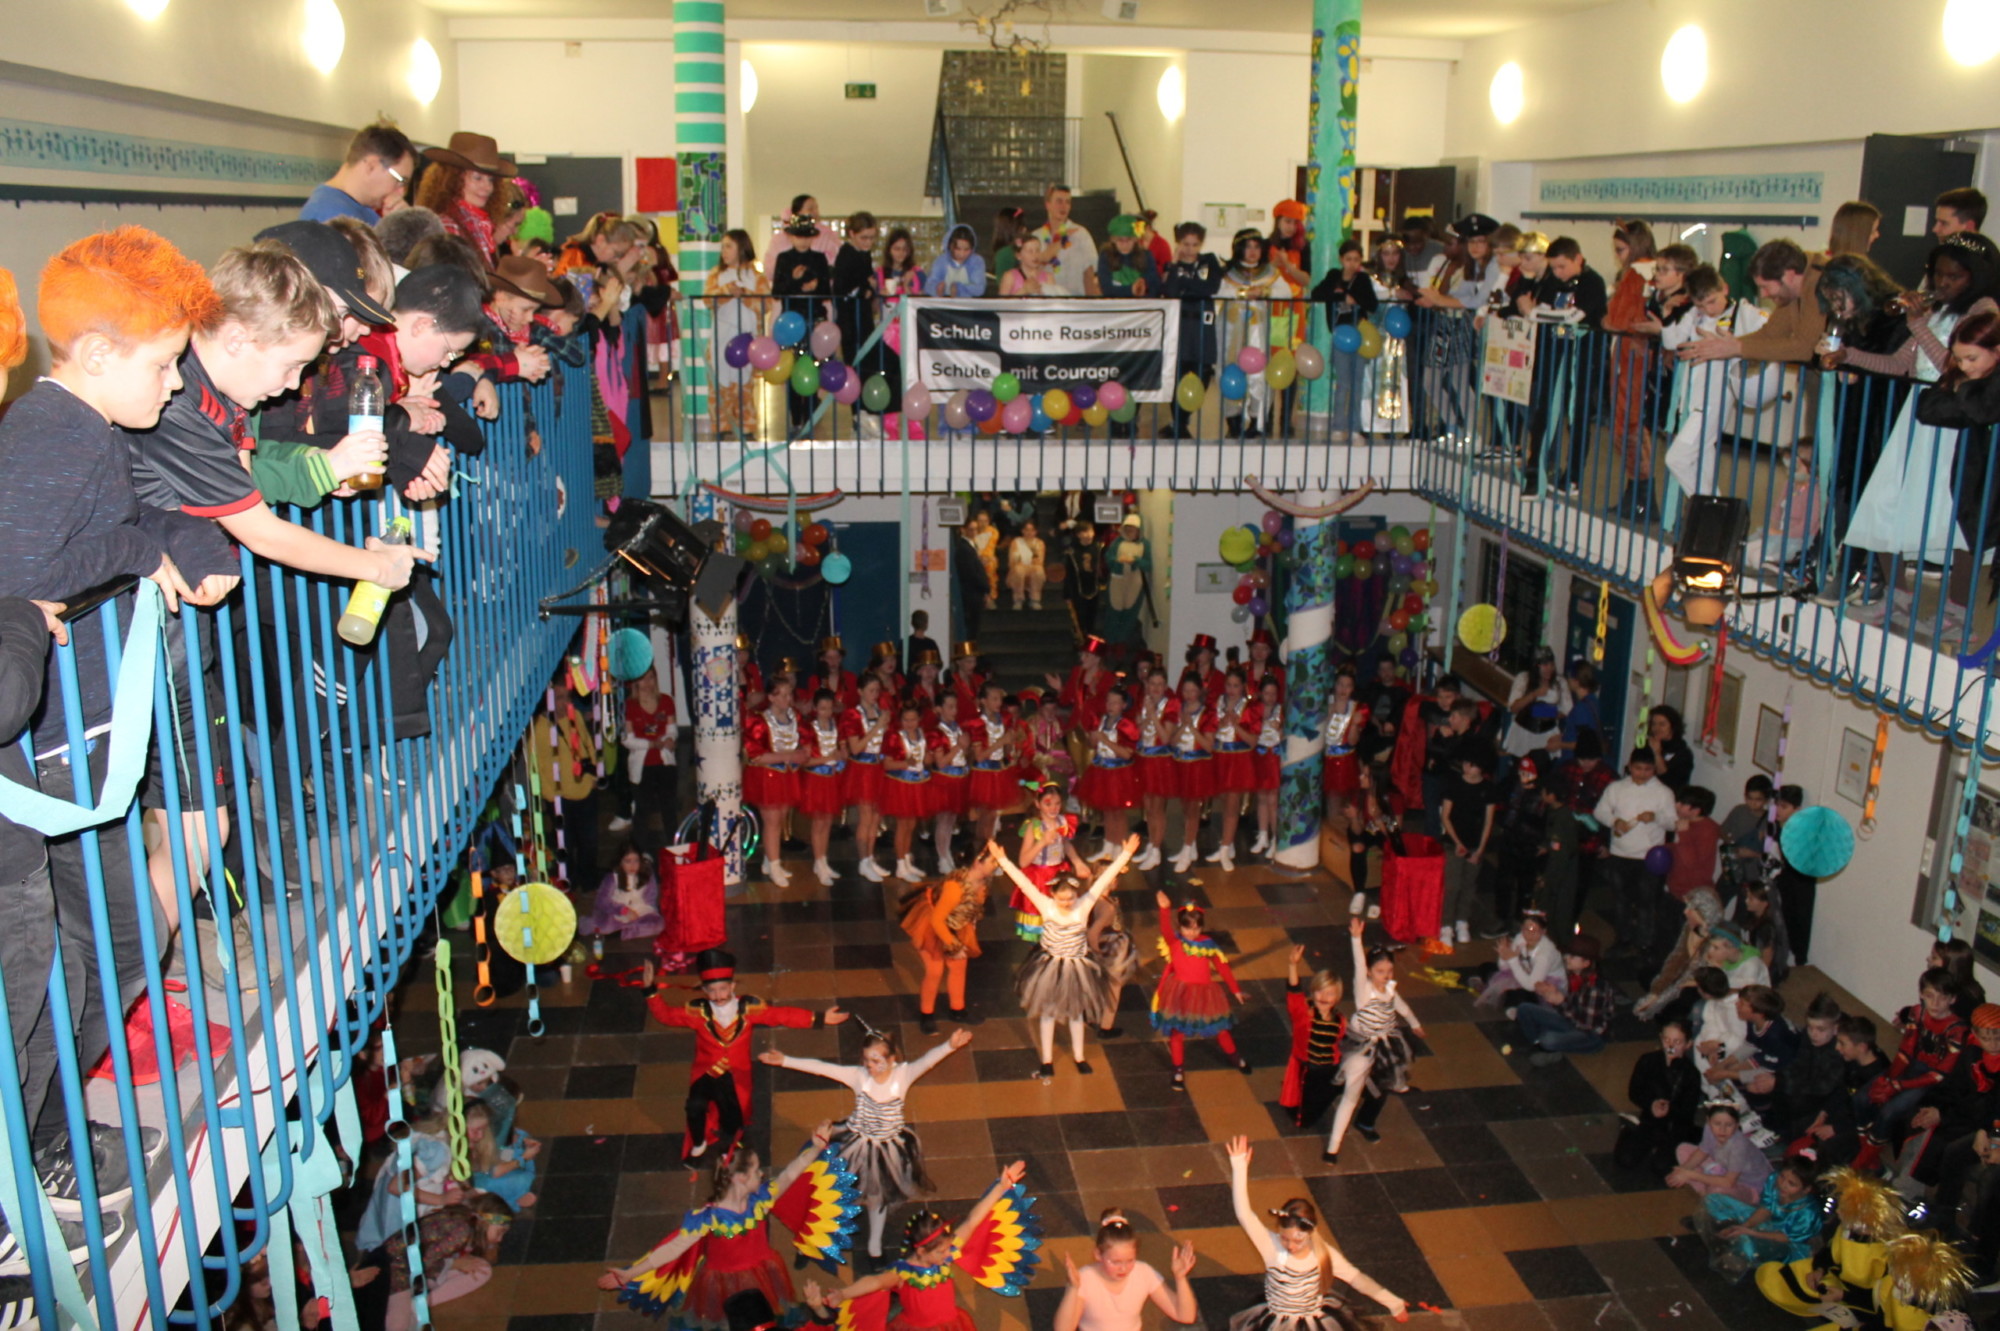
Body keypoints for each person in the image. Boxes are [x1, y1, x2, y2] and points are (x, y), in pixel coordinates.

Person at [599, 1120, 857, 1323]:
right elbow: (673, 1248)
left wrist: (816, 1147)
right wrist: (630, 1273)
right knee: (728, 1318)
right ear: (740, 1178)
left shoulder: (761, 1199)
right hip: (724, 1283)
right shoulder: (710, 1219)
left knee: (765, 1311)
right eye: (756, 1171)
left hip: (763, 1272)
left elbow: (791, 1173)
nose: (761, 1174)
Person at [759, 1027, 971, 1260]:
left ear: (892, 1060)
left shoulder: (903, 1075)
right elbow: (822, 1068)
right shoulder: (860, 1077)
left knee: (878, 1196)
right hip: (854, 1143)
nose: (869, 1065)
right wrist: (785, 1060)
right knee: (832, 1191)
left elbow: (927, 1061)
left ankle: (874, 1246)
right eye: (866, 1060)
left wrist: (950, 1045)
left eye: (876, 1060)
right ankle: (814, 1237)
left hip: (887, 1150)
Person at [646, 948, 849, 1163]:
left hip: (735, 1074)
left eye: (723, 989)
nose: (718, 996)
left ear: (732, 986)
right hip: (705, 1073)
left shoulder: (748, 1009)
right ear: (704, 990)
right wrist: (650, 990)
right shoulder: (697, 1012)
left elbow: (780, 1015)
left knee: (733, 1114)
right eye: (712, 991)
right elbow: (666, 1015)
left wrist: (818, 1018)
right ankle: (698, 1142)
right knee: (694, 1107)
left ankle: (729, 1145)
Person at [808, 1161, 1039, 1328]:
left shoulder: (945, 1256)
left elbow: (972, 1221)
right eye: (941, 1251)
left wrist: (1001, 1187)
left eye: (947, 1248)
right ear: (920, 1250)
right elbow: (874, 1281)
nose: (949, 1253)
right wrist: (843, 1293)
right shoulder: (902, 1273)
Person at [989, 834, 1139, 1079]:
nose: (1067, 902)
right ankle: (1047, 1061)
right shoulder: (1046, 905)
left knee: (1076, 1014)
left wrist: (1126, 854)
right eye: (1062, 898)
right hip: (1050, 967)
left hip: (1076, 967)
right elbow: (1023, 882)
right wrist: (1002, 860)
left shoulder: (1083, 905)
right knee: (1048, 1014)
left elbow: (1104, 880)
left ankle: (1079, 1057)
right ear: (1053, 895)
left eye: (1070, 897)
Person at [1223, 1136, 1407, 1329]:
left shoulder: (1323, 1254)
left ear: (1310, 1233)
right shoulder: (1271, 1245)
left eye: (1298, 1241)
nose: (1290, 1246)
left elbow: (1356, 1278)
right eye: (1285, 1238)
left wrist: (1394, 1303)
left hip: (1312, 1320)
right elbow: (1244, 1214)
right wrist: (1239, 1167)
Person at [1324, 916, 1424, 1164]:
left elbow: (1399, 1004)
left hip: (1385, 1044)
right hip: (1363, 1047)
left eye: (1389, 971)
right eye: (1380, 971)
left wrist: (1414, 1023)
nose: (1386, 976)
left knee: (1383, 1086)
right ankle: (1333, 1147)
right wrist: (1356, 939)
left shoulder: (1388, 988)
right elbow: (1359, 964)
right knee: (1351, 1095)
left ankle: (1369, 1116)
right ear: (1369, 972)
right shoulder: (1364, 990)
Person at [1152, 890, 1249, 1085]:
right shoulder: (1175, 942)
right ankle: (1178, 1069)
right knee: (1177, 1031)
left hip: (1206, 992)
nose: (1192, 932)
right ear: (1180, 926)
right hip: (1180, 992)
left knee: (1220, 1028)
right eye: (1187, 928)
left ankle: (1234, 1056)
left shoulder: (1208, 944)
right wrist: (1164, 909)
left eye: (1196, 928)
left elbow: (1222, 966)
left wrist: (1235, 989)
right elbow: (1165, 928)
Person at [1595, 748, 1679, 963]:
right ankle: (1623, 940)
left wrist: (1656, 817)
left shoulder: (1663, 793)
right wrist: (1615, 821)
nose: (1642, 774)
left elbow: (1673, 823)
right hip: (1620, 853)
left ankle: (1645, 944)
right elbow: (1600, 811)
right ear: (1630, 767)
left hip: (1649, 857)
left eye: (1647, 770)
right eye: (1638, 769)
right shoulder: (1616, 788)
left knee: (1646, 903)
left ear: (1654, 770)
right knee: (1621, 900)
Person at [1052, 1211, 1197, 1331]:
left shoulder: (1143, 1273)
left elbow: (1186, 1316)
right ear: (1098, 1254)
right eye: (1115, 1262)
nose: (1123, 1268)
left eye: (1130, 1261)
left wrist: (1180, 1278)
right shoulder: (1085, 1278)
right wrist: (1073, 1289)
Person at [1692, 1154, 1823, 1282]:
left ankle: (1740, 1249)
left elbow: (1786, 1238)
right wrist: (1744, 1226)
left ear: (1806, 1189)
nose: (1783, 1184)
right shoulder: (1774, 1179)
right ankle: (1733, 1232)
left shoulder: (1809, 1212)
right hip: (1767, 1223)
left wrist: (1751, 1232)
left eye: (1792, 1184)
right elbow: (1765, 1209)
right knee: (1713, 1200)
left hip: (1786, 1243)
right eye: (1782, 1177)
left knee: (1748, 1240)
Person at [901, 849, 991, 1032]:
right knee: (935, 970)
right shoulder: (954, 887)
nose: (997, 866)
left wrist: (966, 936)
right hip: (931, 924)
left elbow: (972, 911)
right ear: (977, 863)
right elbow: (937, 921)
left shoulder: (982, 884)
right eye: (993, 862)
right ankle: (926, 1014)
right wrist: (954, 944)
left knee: (959, 966)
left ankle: (957, 1009)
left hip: (957, 923)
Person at [1218, 228, 1297, 439]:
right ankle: (1233, 422)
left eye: (1256, 247)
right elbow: (1216, 291)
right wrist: (1242, 293)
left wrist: (1264, 292)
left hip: (1257, 331)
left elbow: (1287, 292)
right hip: (1230, 330)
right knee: (1229, 370)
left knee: (1258, 374)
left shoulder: (1269, 273)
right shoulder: (1227, 272)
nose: (1252, 252)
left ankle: (1256, 421)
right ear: (1239, 249)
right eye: (1248, 247)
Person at [1160, 222, 1226, 439]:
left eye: (1194, 244)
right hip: (1180, 325)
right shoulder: (1173, 265)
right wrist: (1174, 266)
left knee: (1203, 372)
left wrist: (1184, 283)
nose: (1190, 249)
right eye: (1185, 244)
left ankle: (1182, 420)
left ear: (1201, 244)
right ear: (1178, 243)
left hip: (1203, 326)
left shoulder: (1209, 261)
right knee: (1178, 373)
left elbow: (1210, 288)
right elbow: (1171, 291)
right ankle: (1179, 424)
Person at [1616, 1019, 1703, 1176]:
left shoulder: (1691, 1073)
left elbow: (1688, 1110)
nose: (1670, 1046)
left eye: (1677, 1042)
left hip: (1676, 1125)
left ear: (1688, 1044)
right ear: (1661, 1038)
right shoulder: (1648, 1061)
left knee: (1661, 1167)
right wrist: (1651, 1104)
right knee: (1625, 1160)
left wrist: (1670, 1109)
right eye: (1667, 1040)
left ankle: (1693, 1138)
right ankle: (1629, 1130)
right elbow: (1635, 1092)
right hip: (1651, 1120)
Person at [704, 228, 769, 440]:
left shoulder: (756, 276)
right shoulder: (716, 275)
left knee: (745, 384)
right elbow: (707, 300)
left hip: (747, 337)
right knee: (719, 383)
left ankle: (746, 424)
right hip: (721, 337)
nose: (724, 251)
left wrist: (745, 295)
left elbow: (766, 303)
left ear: (741, 248)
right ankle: (721, 425)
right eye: (723, 247)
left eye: (729, 246)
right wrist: (726, 292)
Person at [416, 132, 516, 264]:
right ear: (454, 179)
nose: (488, 187)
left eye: (491, 180)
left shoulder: (479, 224)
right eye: (477, 178)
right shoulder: (448, 226)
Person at [743, 679, 806, 887]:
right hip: (767, 776)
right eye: (783, 695)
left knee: (780, 819)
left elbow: (804, 740)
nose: (788, 699)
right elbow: (756, 756)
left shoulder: (794, 717)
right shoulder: (759, 721)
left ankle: (769, 861)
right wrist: (789, 756)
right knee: (771, 820)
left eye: (790, 694)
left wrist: (803, 752)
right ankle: (774, 865)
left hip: (787, 775)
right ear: (771, 697)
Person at [1515, 932, 1614, 1065]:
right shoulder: (1573, 975)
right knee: (1524, 1009)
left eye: (1572, 956)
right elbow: (1569, 1008)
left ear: (1586, 963)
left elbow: (1587, 1025)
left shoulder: (1595, 988)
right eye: (1567, 954)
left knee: (1548, 1038)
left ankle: (1548, 1045)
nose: (1566, 958)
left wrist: (1560, 1002)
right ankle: (1540, 1044)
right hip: (1573, 1019)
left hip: (1591, 1036)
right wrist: (1550, 993)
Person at [1280, 946, 1347, 1135]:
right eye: (1320, 992)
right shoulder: (1304, 1013)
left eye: (1330, 993)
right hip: (1307, 1069)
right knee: (1304, 1114)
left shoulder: (1340, 1020)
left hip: (1328, 1068)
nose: (1323, 997)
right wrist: (1292, 965)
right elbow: (1294, 992)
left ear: (1337, 997)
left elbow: (1339, 1044)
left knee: (1322, 1097)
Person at [1438, 747, 1500, 946]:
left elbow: (1488, 822)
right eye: (1466, 763)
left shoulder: (1488, 788)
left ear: (1481, 767)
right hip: (1453, 844)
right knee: (1452, 885)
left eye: (1472, 765)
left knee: (1469, 886)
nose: (1467, 767)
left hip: (1475, 845)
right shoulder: (1453, 784)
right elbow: (1445, 816)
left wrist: (1480, 850)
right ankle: (1446, 925)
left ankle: (1462, 922)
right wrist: (1458, 843)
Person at [301, 121, 415, 223]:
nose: (401, 193)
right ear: (372, 166)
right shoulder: (331, 216)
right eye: (400, 181)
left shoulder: (359, 209)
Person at [1074, 685, 1140, 858]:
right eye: (1109, 702)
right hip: (1102, 770)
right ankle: (1108, 845)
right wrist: (1093, 740)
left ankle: (1120, 846)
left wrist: (1105, 741)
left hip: (1118, 772)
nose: (1111, 706)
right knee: (1107, 810)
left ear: (1123, 705)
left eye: (1115, 702)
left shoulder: (1126, 725)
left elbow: (1127, 753)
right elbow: (1093, 745)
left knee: (1118, 811)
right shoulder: (1102, 720)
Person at [1666, 1102, 1770, 1205]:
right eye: (1717, 1124)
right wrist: (1681, 1171)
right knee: (1683, 1149)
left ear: (1737, 1125)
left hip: (1749, 1186)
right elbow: (1703, 1151)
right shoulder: (1709, 1128)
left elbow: (1728, 1182)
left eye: (1729, 1125)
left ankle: (1710, 1191)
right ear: (1708, 1121)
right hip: (1724, 1168)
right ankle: (1703, 1192)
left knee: (1717, 1190)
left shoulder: (1739, 1145)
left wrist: (1691, 1175)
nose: (1722, 1130)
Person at [881, 702, 937, 883]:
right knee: (903, 824)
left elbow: (926, 759)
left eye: (913, 720)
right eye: (906, 720)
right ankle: (900, 865)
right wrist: (906, 763)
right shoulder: (895, 737)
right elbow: (887, 764)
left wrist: (928, 758)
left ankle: (906, 859)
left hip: (918, 783)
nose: (910, 723)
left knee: (911, 824)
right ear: (900, 720)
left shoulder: (922, 735)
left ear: (919, 720)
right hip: (902, 784)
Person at [1166, 674, 1215, 873]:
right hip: (1180, 764)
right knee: (1185, 807)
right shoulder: (1178, 710)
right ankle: (1190, 845)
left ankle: (1186, 850)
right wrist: (1182, 726)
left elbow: (1209, 745)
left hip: (1197, 766)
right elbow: (1172, 741)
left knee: (1194, 808)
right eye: (1185, 690)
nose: (1188, 694)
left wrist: (1191, 727)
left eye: (1192, 690)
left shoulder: (1207, 713)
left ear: (1199, 691)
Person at [1031, 184, 1099, 298]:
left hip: (1075, 300)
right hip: (1045, 300)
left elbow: (1090, 273)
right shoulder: (1036, 237)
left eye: (1068, 202)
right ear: (1048, 205)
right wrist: (1047, 254)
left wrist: (1092, 302)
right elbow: (1029, 272)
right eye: (1059, 201)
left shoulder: (1080, 234)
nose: (1064, 206)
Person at [584, 845, 664, 941]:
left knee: (658, 925)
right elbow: (602, 901)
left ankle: (622, 933)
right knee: (604, 926)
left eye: (636, 861)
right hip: (617, 913)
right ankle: (627, 930)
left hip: (640, 911)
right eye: (628, 861)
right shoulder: (612, 878)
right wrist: (624, 910)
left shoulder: (647, 875)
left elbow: (651, 899)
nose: (633, 865)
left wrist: (648, 912)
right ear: (621, 862)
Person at [1503, 646, 1570, 760]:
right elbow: (1513, 708)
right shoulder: (1523, 679)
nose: (1549, 669)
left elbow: (1567, 710)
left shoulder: (1560, 682)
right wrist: (1534, 695)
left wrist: (1550, 713)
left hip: (1547, 733)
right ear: (1536, 665)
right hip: (1523, 732)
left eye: (1551, 665)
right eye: (1545, 665)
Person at [1095, 216, 1158, 298]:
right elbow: (1106, 289)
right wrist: (1131, 290)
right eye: (1120, 240)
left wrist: (1144, 286)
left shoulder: (1146, 256)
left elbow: (1155, 285)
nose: (1125, 244)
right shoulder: (1106, 257)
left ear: (1135, 239)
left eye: (1129, 239)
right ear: (1113, 240)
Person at [925, 224, 986, 299]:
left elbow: (979, 288)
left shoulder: (976, 262)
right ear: (950, 246)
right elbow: (928, 285)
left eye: (966, 249)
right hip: (943, 304)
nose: (962, 254)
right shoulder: (941, 261)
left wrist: (959, 288)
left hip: (969, 305)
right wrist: (937, 288)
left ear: (972, 248)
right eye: (958, 249)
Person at [1007, 519, 1047, 609]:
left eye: (1032, 530)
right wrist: (1021, 562)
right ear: (1022, 531)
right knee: (1018, 570)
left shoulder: (1039, 543)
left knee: (1039, 570)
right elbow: (1013, 559)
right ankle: (1018, 600)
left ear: (1035, 532)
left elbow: (1039, 560)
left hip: (1033, 567)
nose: (1029, 532)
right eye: (1027, 530)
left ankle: (1035, 600)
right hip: (1019, 567)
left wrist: (1031, 558)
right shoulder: (1016, 542)